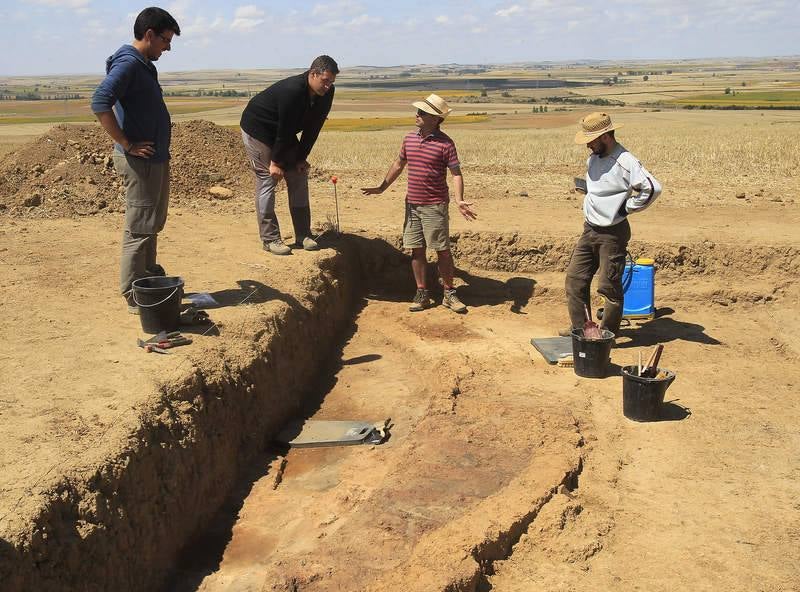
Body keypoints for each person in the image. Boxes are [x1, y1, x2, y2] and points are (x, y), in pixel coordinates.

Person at [90, 7, 180, 313]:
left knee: (151, 223)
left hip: (154, 160)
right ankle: (133, 293)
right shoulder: (128, 64)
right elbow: (100, 101)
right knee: (139, 226)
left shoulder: (143, 64)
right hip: (139, 162)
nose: (168, 47)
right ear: (150, 35)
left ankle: (148, 276)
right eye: (166, 40)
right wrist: (126, 143)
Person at [362, 94, 476, 313]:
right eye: (418, 111)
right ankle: (421, 292)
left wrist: (459, 199)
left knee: (442, 250)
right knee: (417, 251)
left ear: (435, 118)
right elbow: (398, 163)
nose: (417, 115)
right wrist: (381, 187)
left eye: (422, 112)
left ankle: (449, 293)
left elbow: (456, 174)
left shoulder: (446, 144)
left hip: (435, 205)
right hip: (412, 205)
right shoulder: (409, 139)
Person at [564, 112, 662, 336]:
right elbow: (602, 189)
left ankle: (607, 334)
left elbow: (652, 188)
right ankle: (580, 330)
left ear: (606, 136)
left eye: (592, 139)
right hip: (589, 229)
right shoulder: (593, 159)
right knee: (574, 279)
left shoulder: (625, 161)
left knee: (608, 287)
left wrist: (626, 207)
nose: (588, 144)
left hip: (612, 233)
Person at [240, 55, 338, 255]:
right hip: (259, 128)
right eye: (325, 80)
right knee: (269, 178)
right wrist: (276, 163)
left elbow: (314, 127)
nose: (328, 86)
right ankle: (270, 239)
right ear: (313, 74)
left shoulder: (327, 93)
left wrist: (301, 158)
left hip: (282, 132)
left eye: (331, 82)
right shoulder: (292, 90)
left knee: (299, 174)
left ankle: (303, 234)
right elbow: (284, 129)